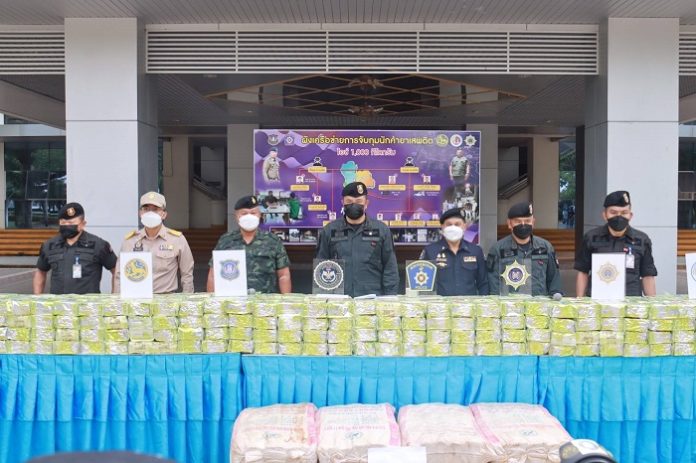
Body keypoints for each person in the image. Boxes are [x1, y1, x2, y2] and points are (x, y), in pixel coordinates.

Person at [315, 181, 399, 297]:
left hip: (372, 298)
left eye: (359, 201)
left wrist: (390, 299)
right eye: (349, 201)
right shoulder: (329, 231)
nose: (354, 205)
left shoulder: (382, 230)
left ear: (366, 203)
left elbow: (390, 269)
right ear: (343, 203)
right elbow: (320, 268)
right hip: (340, 299)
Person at [575, 190, 657, 297]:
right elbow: (583, 272)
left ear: (630, 215)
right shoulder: (591, 237)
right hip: (598, 300)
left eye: (624, 213)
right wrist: (579, 301)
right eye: (613, 213)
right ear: (605, 215)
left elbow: (648, 275)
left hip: (631, 301)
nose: (619, 217)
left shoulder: (642, 240)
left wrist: (651, 303)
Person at [207, 195, 291, 294]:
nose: (249, 216)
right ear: (237, 216)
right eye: (244, 213)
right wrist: (211, 300)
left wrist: (286, 300)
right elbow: (213, 275)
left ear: (259, 215)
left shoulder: (272, 241)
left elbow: (284, 275)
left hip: (265, 301)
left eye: (253, 213)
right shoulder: (226, 240)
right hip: (233, 300)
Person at [114, 192, 194, 293]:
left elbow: (187, 274)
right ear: (140, 213)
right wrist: (118, 299)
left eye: (155, 209)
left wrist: (187, 299)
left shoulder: (177, 240)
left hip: (166, 299)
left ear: (164, 214)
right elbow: (119, 276)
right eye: (146, 209)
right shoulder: (130, 241)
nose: (150, 213)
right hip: (136, 298)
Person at [33, 202, 117, 294]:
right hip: (59, 302)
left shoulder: (99, 245)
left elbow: (117, 272)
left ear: (83, 224)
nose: (66, 225)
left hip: (88, 303)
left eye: (71, 223)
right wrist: (37, 297)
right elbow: (40, 272)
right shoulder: (50, 245)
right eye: (63, 222)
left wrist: (114, 297)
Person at [487, 201, 562, 296]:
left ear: (533, 222)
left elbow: (554, 282)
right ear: (509, 223)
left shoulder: (545, 247)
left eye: (527, 221)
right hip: (510, 304)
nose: (523, 225)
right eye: (518, 221)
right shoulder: (498, 249)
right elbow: (493, 285)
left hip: (539, 303)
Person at [420, 207, 488, 296]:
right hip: (440, 304)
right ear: (442, 227)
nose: (453, 228)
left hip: (468, 303)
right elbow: (422, 284)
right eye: (449, 224)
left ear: (464, 226)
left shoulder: (475, 251)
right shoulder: (430, 251)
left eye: (457, 224)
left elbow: (483, 283)